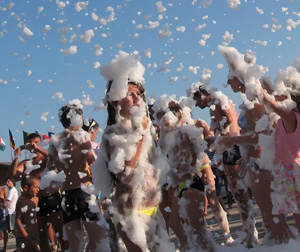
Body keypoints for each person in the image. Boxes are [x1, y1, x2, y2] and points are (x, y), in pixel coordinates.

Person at [92, 51, 175, 252]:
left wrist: (164, 135)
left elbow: (157, 163)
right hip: (129, 211)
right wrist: (140, 136)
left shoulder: (145, 127)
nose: (137, 97)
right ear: (115, 100)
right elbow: (125, 172)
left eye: (138, 93)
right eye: (130, 94)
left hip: (151, 207)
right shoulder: (113, 133)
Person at [218, 45, 293, 244]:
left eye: (231, 76)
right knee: (271, 222)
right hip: (257, 164)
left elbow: (264, 135)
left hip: (262, 167)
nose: (227, 81)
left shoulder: (256, 104)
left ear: (241, 78)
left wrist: (232, 141)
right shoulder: (250, 101)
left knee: (274, 223)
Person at [190, 78, 258, 247]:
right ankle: (249, 232)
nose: (196, 105)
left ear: (201, 94)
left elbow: (228, 120)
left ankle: (251, 235)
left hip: (233, 147)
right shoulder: (216, 102)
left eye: (196, 100)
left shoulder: (218, 101)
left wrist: (215, 135)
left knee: (239, 193)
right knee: (237, 193)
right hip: (230, 147)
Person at [46, 99, 110, 252]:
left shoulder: (55, 141)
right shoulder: (81, 136)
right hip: (84, 193)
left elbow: (49, 170)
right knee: (101, 238)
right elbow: (93, 162)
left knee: (75, 246)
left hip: (66, 195)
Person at [7, 133, 68, 252]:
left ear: (41, 143)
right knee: (42, 234)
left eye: (36, 142)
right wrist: (16, 158)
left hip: (52, 197)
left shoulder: (47, 158)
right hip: (39, 201)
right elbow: (11, 176)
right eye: (31, 143)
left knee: (60, 232)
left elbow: (58, 161)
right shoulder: (26, 163)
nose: (34, 145)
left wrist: (39, 148)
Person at [259, 64, 300, 235]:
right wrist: (255, 75)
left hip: (296, 174)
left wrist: (260, 93)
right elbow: (274, 95)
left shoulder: (290, 117)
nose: (276, 92)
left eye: (281, 90)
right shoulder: (285, 120)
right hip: (289, 174)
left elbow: (274, 105)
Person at [15, 176, 40, 252]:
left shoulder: (33, 201)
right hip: (24, 239)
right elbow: (18, 220)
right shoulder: (21, 201)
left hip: (34, 237)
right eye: (35, 187)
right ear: (26, 188)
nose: (38, 190)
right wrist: (27, 238)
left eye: (38, 187)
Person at [2, 178, 18, 252]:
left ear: (12, 182)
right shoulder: (13, 190)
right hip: (12, 212)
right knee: (12, 230)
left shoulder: (11, 191)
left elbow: (7, 203)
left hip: (10, 213)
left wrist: (3, 203)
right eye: (6, 181)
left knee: (13, 230)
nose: (7, 182)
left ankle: (19, 245)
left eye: (9, 181)